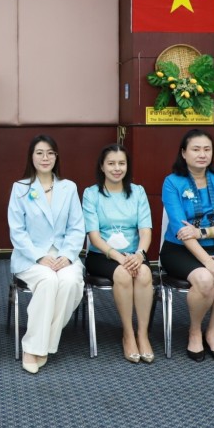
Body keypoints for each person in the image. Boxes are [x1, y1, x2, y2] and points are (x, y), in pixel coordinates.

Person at [160, 129, 214, 363]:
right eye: (196, 149)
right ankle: (195, 331)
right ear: (184, 153)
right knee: (205, 279)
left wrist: (202, 232)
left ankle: (213, 332)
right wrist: (208, 263)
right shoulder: (172, 182)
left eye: (207, 149)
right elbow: (181, 231)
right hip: (179, 250)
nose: (202, 154)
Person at [7, 135, 85, 374]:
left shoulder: (68, 187)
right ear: (31, 157)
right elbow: (17, 231)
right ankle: (32, 347)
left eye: (50, 153)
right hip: (30, 256)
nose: (45, 158)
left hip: (63, 253)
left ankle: (44, 343)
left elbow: (76, 227)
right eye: (39, 152)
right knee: (49, 280)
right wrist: (40, 257)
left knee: (70, 282)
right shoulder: (21, 188)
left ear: (56, 157)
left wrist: (68, 256)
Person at [82, 143, 155, 364]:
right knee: (123, 274)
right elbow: (94, 236)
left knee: (144, 273)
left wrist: (140, 254)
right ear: (102, 166)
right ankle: (128, 334)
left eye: (121, 163)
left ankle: (143, 334)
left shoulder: (138, 192)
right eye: (111, 163)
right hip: (102, 255)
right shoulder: (91, 194)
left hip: (134, 254)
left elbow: (145, 231)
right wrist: (119, 257)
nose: (117, 168)